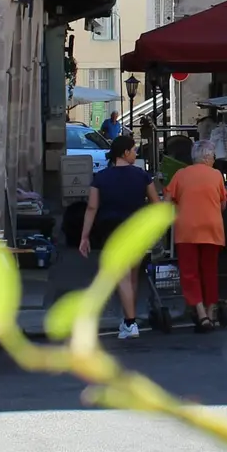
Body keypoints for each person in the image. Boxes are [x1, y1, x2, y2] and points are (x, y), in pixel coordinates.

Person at [78, 134, 163, 341]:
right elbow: (155, 203)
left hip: (112, 229)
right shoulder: (142, 176)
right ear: (125, 153)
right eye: (134, 150)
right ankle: (128, 319)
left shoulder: (100, 177)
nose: (136, 153)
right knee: (132, 276)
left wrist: (84, 236)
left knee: (122, 276)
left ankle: (130, 322)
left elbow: (91, 207)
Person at [164, 144, 227, 332]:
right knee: (209, 271)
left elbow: (166, 202)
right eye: (213, 155)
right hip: (212, 229)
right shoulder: (216, 175)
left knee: (189, 273)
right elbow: (223, 204)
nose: (214, 159)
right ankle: (210, 311)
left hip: (187, 230)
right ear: (207, 157)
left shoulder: (180, 174)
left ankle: (200, 313)